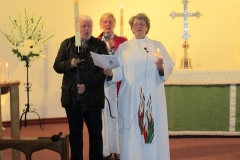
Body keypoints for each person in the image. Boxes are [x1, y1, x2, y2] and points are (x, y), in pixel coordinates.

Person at [103, 13, 174, 160]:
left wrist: (161, 68)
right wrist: (110, 73)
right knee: (133, 132)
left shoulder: (157, 46)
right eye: (136, 24)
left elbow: (168, 65)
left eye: (142, 24)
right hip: (130, 98)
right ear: (132, 28)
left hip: (151, 97)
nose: (139, 26)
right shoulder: (124, 48)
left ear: (147, 28)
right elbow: (118, 71)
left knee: (149, 132)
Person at [53, 15, 108, 160]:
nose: (87, 28)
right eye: (84, 26)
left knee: (95, 133)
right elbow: (57, 65)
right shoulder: (67, 44)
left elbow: (103, 72)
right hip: (72, 98)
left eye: (89, 25)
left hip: (93, 98)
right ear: (77, 28)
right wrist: (69, 64)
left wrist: (86, 86)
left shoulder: (99, 46)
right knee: (75, 134)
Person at [98, 13, 127, 160]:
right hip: (102, 85)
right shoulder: (95, 41)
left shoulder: (124, 41)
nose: (107, 24)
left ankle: (119, 149)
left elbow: (126, 63)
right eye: (104, 22)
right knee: (104, 119)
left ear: (114, 23)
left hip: (118, 83)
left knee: (118, 118)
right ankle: (105, 150)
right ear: (101, 24)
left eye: (110, 21)